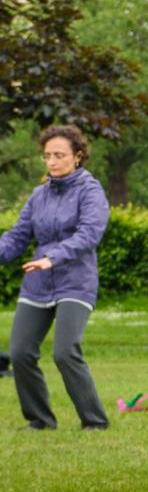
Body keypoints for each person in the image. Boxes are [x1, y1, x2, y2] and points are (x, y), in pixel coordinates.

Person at [0, 125, 110, 430]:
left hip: (75, 281)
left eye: (59, 155)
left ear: (78, 156)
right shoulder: (39, 195)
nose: (51, 161)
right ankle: (40, 420)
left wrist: (53, 257)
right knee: (21, 353)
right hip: (38, 284)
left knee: (64, 352)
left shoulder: (91, 191)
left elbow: (89, 234)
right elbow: (17, 237)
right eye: (47, 156)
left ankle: (94, 421)